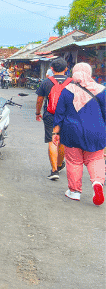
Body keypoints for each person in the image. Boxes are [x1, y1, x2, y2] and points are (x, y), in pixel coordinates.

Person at [52, 63, 105, 204]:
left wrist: (55, 132)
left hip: (72, 132)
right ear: (90, 72)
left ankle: (74, 192)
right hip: (97, 131)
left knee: (74, 161)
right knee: (96, 159)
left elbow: (60, 114)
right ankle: (97, 184)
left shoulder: (67, 90)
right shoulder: (101, 90)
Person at [35, 57, 70, 180]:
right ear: (66, 69)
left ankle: (54, 170)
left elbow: (40, 100)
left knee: (52, 140)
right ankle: (60, 165)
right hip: (67, 115)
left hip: (50, 114)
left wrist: (38, 113)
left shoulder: (46, 82)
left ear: (52, 69)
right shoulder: (72, 82)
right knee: (62, 141)